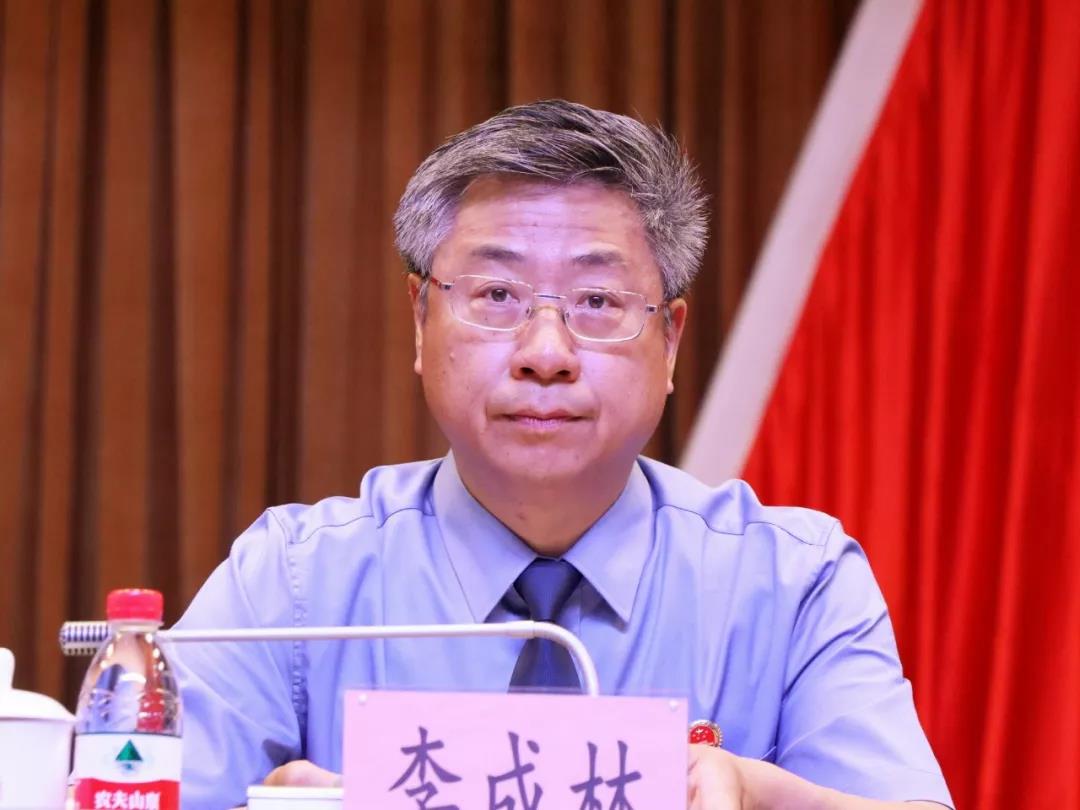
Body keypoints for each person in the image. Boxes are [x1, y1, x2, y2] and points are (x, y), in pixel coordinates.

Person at [174, 100, 953, 809]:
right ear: (420, 319)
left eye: (598, 302)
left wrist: (758, 795)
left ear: (670, 338)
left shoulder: (791, 582)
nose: (545, 353)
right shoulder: (295, 579)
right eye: (496, 296)